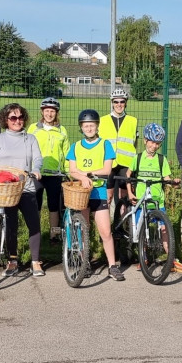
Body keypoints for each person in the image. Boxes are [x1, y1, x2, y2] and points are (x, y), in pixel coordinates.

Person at [0, 103, 44, 277]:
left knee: (33, 224)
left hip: (26, 187)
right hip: (6, 190)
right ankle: (12, 260)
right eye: (13, 118)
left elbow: (37, 159)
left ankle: (35, 261)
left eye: (20, 117)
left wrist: (36, 170)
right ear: (6, 120)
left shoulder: (31, 139)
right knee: (10, 224)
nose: (17, 121)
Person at [67, 108, 124, 281]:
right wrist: (82, 177)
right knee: (84, 230)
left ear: (97, 126)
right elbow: (72, 170)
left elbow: (107, 170)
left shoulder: (105, 144)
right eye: (86, 126)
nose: (89, 128)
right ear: (81, 127)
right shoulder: (75, 146)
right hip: (82, 193)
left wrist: (87, 174)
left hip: (98, 192)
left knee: (105, 232)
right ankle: (85, 264)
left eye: (92, 125)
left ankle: (112, 266)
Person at [127, 123, 182, 274]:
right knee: (142, 231)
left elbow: (167, 178)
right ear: (145, 141)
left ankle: (171, 257)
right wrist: (130, 193)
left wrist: (174, 183)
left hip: (157, 203)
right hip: (142, 202)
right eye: (152, 142)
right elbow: (128, 176)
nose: (154, 146)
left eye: (157, 143)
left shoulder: (161, 160)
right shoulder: (138, 158)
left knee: (165, 229)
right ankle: (143, 257)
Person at [28, 97, 69, 243]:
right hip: (36, 173)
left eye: (52, 111)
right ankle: (35, 234)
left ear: (56, 113)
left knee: (54, 207)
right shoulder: (33, 128)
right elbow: (27, 149)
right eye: (47, 111)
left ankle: (54, 235)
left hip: (55, 174)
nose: (49, 114)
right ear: (42, 112)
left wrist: (68, 172)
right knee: (35, 206)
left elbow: (66, 152)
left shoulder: (62, 130)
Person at [99, 87, 138, 221]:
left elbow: (135, 142)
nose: (119, 104)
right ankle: (106, 227)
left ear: (126, 102)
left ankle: (122, 226)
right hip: (108, 163)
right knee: (108, 196)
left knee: (124, 197)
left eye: (122, 102)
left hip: (125, 164)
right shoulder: (102, 120)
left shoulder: (133, 121)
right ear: (112, 103)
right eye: (116, 102)